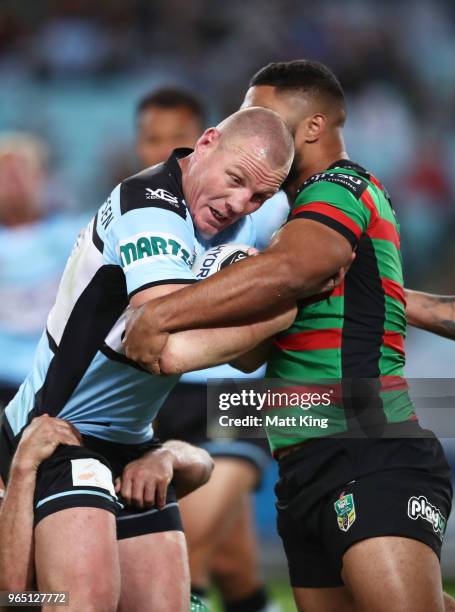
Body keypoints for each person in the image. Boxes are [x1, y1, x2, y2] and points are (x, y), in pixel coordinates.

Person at [124, 60, 455, 612]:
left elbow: (305, 263)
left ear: (314, 127)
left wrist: (163, 316)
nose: (254, 129)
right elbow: (253, 351)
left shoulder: (339, 186)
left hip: (365, 446)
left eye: (266, 115)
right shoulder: (284, 215)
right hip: (302, 462)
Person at [0, 106, 295, 612]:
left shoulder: (250, 213)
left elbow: (245, 361)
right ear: (206, 145)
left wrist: (169, 454)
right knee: (69, 601)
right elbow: (158, 339)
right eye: (237, 180)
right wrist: (283, 310)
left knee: (195, 585)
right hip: (58, 435)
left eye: (259, 194)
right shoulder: (147, 207)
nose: (241, 203)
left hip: (140, 440)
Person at [136, 86, 285, 611]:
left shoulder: (263, 209)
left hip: (234, 397)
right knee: (234, 568)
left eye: (175, 137)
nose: (162, 149)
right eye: (151, 138)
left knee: (182, 556)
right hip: (155, 399)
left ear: (206, 141)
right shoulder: (140, 213)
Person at [0, 415, 213, 599]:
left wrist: (166, 455)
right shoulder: (25, 460)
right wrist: (23, 467)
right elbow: (12, 597)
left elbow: (203, 466)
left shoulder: (122, 460)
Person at [0, 132, 84, 409]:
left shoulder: (80, 236)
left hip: (58, 381)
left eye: (21, 171)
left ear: (42, 178)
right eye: (4, 172)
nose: (13, 181)